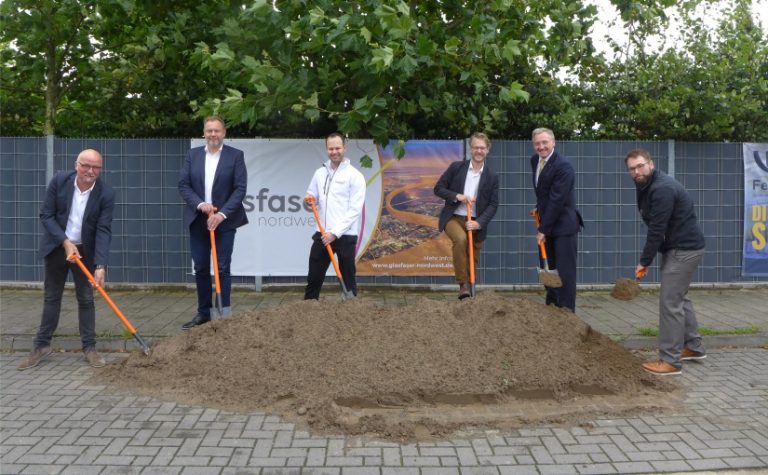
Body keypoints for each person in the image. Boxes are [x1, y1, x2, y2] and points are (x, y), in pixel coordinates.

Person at [18, 149, 115, 370]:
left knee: (86, 299)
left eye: (96, 167)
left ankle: (89, 348)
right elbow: (46, 215)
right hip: (57, 247)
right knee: (52, 297)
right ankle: (41, 346)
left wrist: (100, 265)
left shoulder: (106, 194)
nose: (90, 171)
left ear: (100, 169)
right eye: (86, 165)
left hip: (85, 253)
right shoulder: (60, 181)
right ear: (76, 165)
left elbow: (103, 230)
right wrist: (65, 242)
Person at [625, 148, 706, 376]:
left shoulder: (662, 189)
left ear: (651, 164)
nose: (637, 171)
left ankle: (670, 360)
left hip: (683, 250)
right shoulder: (646, 185)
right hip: (681, 247)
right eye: (632, 169)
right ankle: (694, 347)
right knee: (680, 298)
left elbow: (657, 229)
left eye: (640, 166)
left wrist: (644, 261)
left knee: (670, 303)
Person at [179, 116, 248, 329]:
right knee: (200, 267)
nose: (213, 134)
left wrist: (222, 214)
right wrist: (200, 204)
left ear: (224, 133)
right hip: (199, 220)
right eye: (209, 130)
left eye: (216, 130)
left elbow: (240, 188)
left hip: (224, 222)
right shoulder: (193, 155)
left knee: (222, 267)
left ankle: (223, 313)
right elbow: (184, 185)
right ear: (203, 133)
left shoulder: (235, 156)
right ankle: (204, 314)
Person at [435, 132, 499, 299]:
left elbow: (493, 205)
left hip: (476, 221)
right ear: (471, 149)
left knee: (472, 257)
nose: (479, 151)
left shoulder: (492, 176)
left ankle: (470, 291)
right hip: (454, 218)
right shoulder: (456, 167)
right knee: (461, 239)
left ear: (488, 149)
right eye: (476, 147)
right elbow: (438, 188)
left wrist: (479, 223)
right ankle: (463, 284)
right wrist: (457, 196)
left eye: (482, 148)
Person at [303, 132, 366, 299]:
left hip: (345, 235)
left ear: (345, 148)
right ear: (326, 149)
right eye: (331, 149)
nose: (334, 152)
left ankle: (351, 308)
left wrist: (335, 233)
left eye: (337, 148)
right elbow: (311, 195)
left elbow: (354, 210)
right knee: (314, 277)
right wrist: (309, 200)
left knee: (348, 277)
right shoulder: (319, 173)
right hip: (322, 233)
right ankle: (308, 307)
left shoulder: (355, 176)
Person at [530, 127, 583, 311]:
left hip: (563, 227)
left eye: (545, 142)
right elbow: (544, 192)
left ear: (553, 142)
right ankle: (552, 310)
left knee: (565, 273)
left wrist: (543, 230)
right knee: (549, 269)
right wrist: (539, 208)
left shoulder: (563, 166)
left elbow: (557, 200)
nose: (541, 147)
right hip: (547, 221)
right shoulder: (535, 160)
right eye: (537, 143)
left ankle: (567, 314)